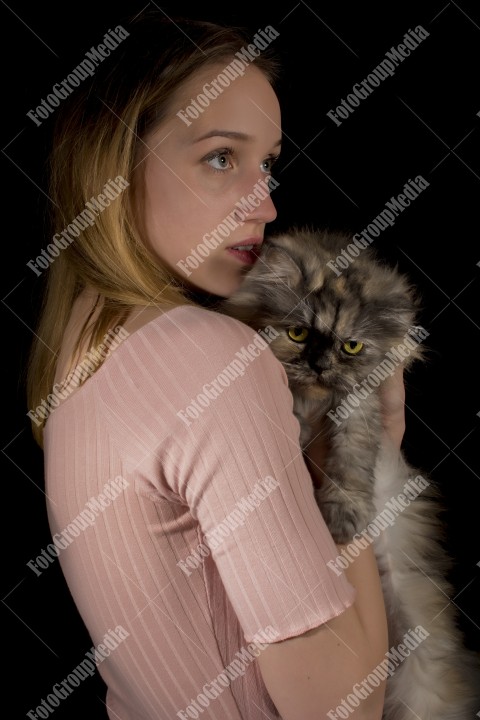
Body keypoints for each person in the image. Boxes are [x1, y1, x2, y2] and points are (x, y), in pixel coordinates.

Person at [26, 11, 406, 719]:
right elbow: (341, 709)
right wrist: (360, 456)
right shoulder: (208, 357)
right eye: (221, 158)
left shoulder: (81, 341)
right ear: (117, 163)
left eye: (266, 165)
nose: (263, 204)